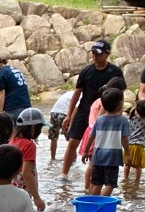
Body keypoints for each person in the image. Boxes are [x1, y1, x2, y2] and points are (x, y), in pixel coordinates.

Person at [61, 41, 117, 178]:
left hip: (104, 113)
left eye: (98, 53)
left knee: (98, 145)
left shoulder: (114, 72)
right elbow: (77, 93)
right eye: (93, 53)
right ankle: (64, 174)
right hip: (84, 111)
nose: (94, 56)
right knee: (73, 141)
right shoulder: (86, 71)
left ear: (107, 54)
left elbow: (118, 94)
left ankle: (93, 177)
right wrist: (69, 115)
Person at [86, 88, 130, 197]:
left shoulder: (99, 119)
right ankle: (102, 204)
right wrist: (128, 154)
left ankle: (94, 204)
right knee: (110, 184)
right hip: (113, 158)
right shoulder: (123, 120)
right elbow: (124, 139)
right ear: (120, 104)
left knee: (97, 183)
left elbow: (91, 137)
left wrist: (86, 151)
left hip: (98, 156)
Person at [10, 108, 47, 212]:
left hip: (12, 188)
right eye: (40, 128)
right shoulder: (29, 145)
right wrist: (37, 198)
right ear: (34, 128)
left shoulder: (12, 141)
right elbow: (26, 173)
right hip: (23, 192)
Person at [0, 55, 31, 122]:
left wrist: (0, 113)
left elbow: (2, 93)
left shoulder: (1, 73)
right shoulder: (14, 69)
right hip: (26, 104)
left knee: (11, 130)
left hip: (13, 106)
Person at [126, 99, 145, 185]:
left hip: (129, 145)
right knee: (138, 166)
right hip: (140, 145)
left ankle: (125, 179)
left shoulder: (132, 119)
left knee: (127, 164)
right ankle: (137, 181)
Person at [47, 89, 73, 161]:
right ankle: (73, 159)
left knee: (53, 137)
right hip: (64, 114)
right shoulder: (80, 96)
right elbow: (75, 110)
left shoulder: (70, 92)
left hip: (54, 113)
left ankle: (52, 158)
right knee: (71, 139)